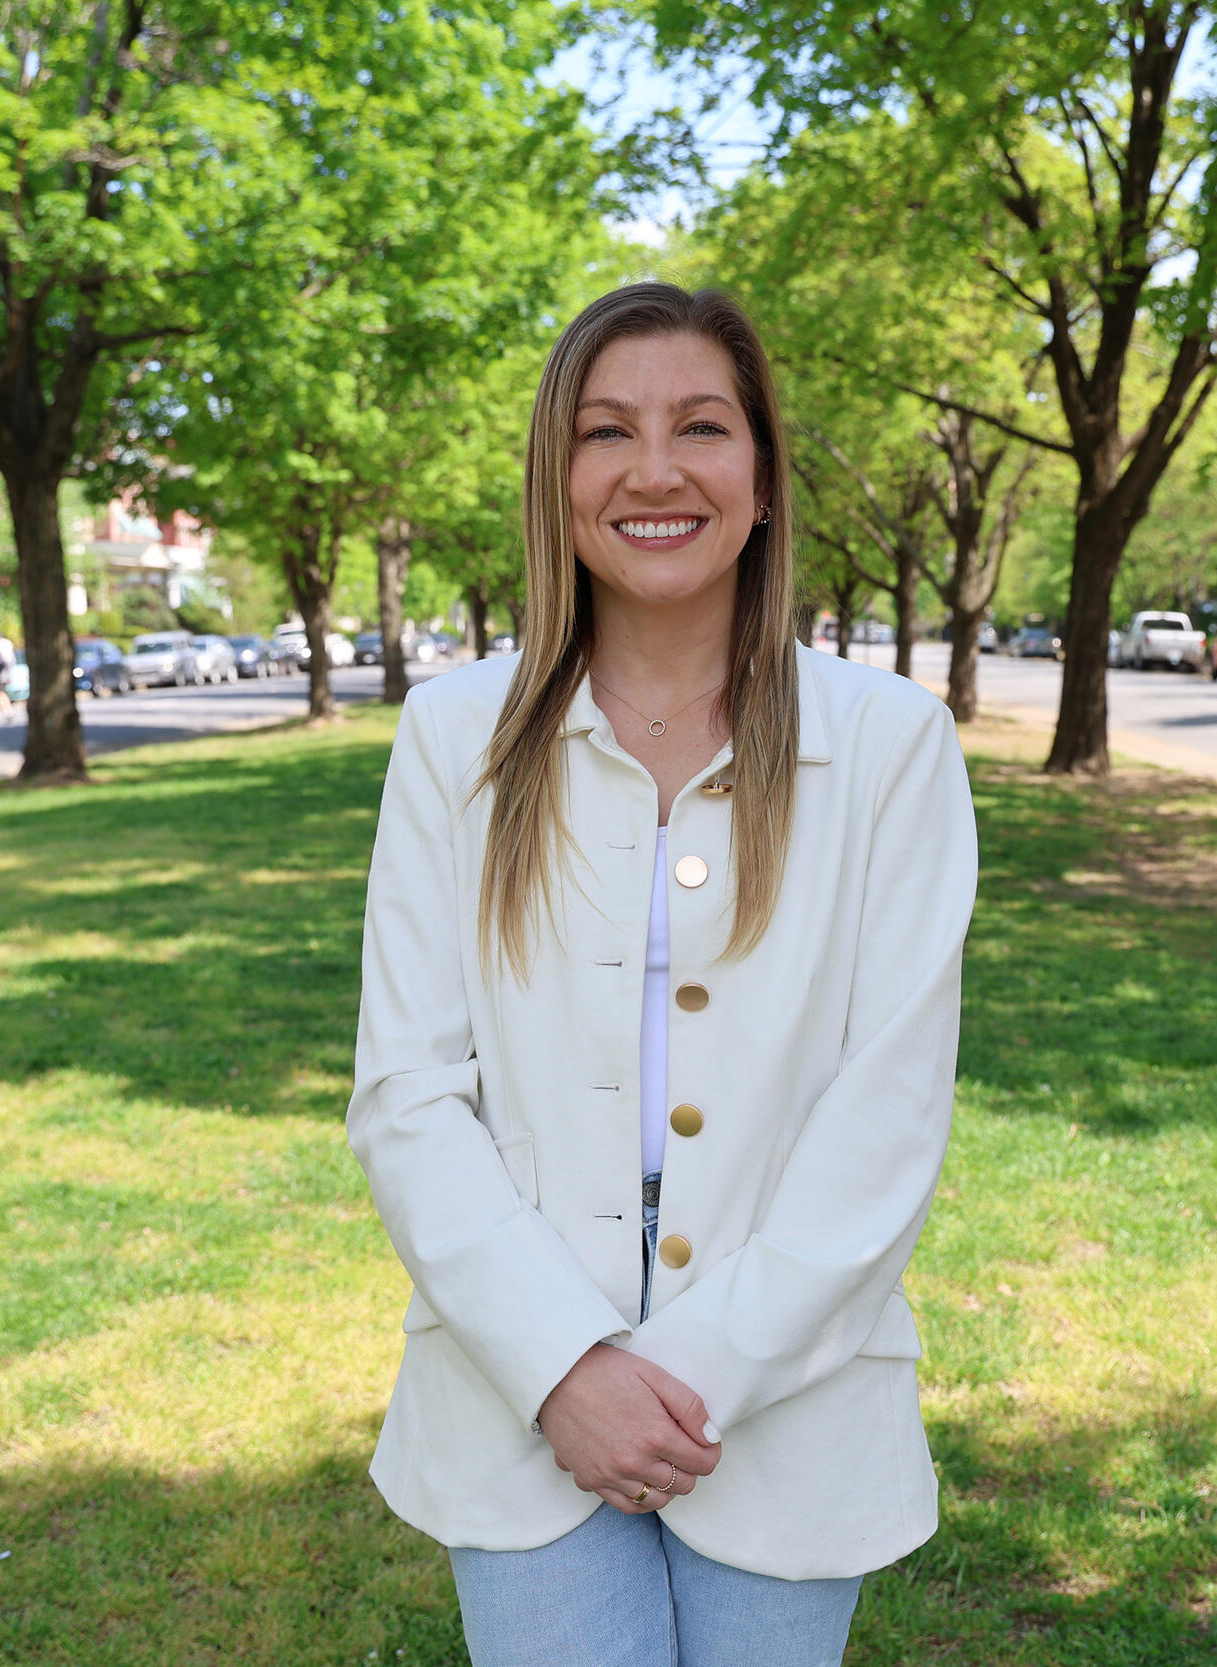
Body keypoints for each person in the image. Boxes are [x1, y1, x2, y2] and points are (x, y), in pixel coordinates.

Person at [346, 283, 979, 1666]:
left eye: (702, 427)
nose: (654, 471)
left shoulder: (890, 744)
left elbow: (887, 1119)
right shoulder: (456, 737)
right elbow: (405, 1090)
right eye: (605, 433)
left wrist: (686, 1377)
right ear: (557, 481)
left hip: (789, 1391)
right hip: (518, 1390)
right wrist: (565, 1367)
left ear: (760, 481)